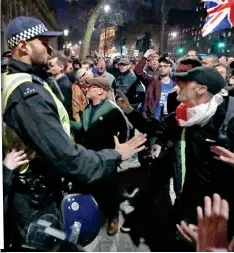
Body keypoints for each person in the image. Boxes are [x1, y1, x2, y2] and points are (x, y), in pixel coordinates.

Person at [2, 16, 146, 247]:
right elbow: (68, 158)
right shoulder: (27, 92)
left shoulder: (23, 81)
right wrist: (117, 154)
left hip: (35, 189)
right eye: (44, 41)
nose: (50, 48)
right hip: (34, 197)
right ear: (23, 46)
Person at [117, 66, 234, 250]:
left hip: (220, 210)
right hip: (188, 196)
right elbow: (156, 128)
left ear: (201, 89)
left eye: (184, 82)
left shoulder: (228, 119)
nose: (176, 85)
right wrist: (129, 110)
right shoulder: (182, 115)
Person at [71, 77, 129, 236]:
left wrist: (119, 152)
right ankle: (89, 215)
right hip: (89, 156)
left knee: (109, 189)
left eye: (91, 87)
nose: (87, 89)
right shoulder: (87, 109)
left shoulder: (112, 110)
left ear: (100, 91)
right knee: (89, 187)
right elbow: (83, 129)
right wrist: (66, 123)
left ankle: (113, 217)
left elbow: (125, 131)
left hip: (107, 157)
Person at [134, 49, 174, 119]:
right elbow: (138, 71)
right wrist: (145, 56)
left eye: (165, 66)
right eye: (161, 66)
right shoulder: (152, 80)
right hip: (151, 119)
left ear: (170, 68)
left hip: (166, 121)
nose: (162, 68)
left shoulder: (175, 85)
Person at [48, 52, 73, 118]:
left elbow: (63, 108)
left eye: (52, 65)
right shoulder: (53, 81)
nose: (49, 67)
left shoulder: (65, 85)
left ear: (61, 67)